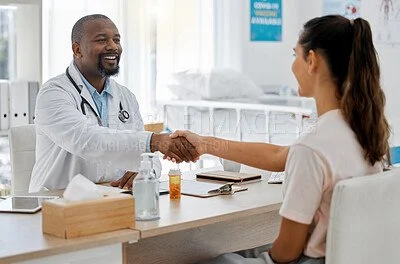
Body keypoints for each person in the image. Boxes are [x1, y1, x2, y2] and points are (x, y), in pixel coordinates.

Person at [172, 15, 390, 264]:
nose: (292, 65)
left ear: (311, 61)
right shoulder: (362, 132)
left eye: (294, 54)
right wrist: (204, 143)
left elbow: (286, 252)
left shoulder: (312, 147)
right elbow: (279, 157)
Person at [29, 14, 198, 192]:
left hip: (109, 198)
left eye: (116, 40)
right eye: (101, 40)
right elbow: (87, 140)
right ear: (77, 50)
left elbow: (149, 157)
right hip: (57, 204)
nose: (112, 46)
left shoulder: (125, 96)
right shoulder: (54, 93)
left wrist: (145, 170)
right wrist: (155, 141)